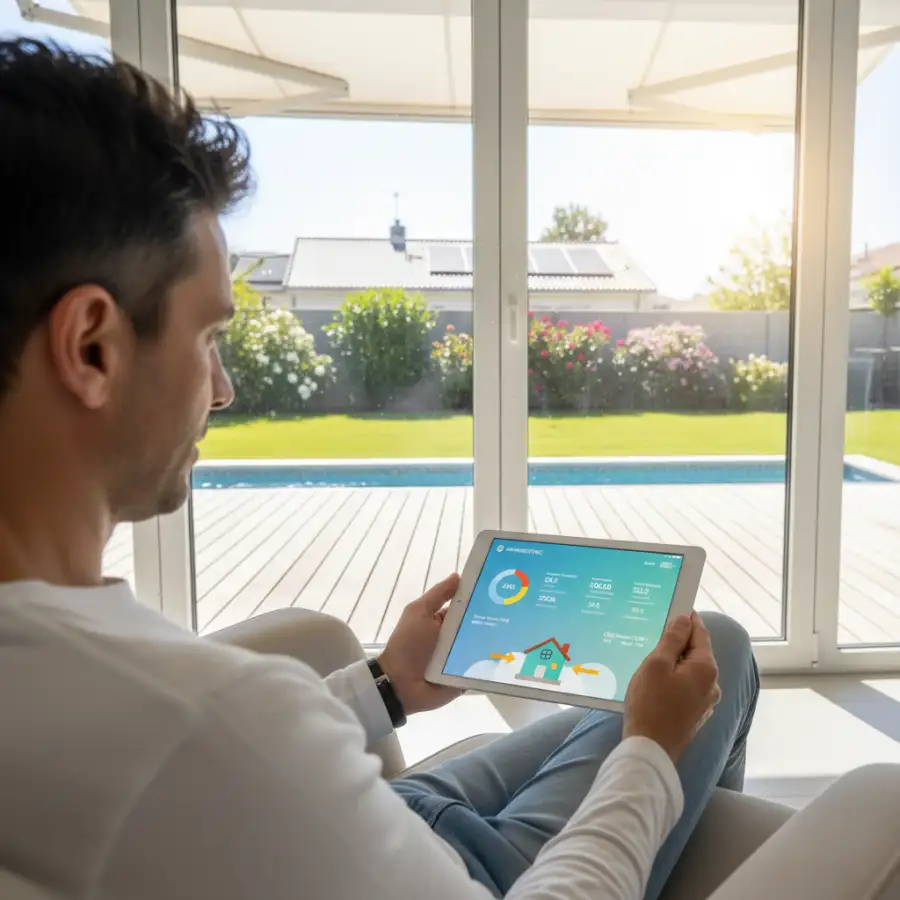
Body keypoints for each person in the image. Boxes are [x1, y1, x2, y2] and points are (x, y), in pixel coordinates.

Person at [0, 37, 758, 900]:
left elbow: (229, 778)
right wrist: (650, 756)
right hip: (470, 871)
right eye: (207, 336)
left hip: (368, 817)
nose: (223, 388)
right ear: (91, 347)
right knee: (718, 652)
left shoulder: (110, 700)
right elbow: (217, 753)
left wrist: (386, 688)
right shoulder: (206, 720)